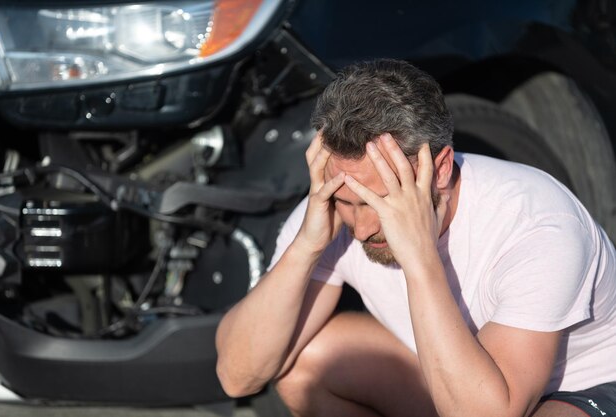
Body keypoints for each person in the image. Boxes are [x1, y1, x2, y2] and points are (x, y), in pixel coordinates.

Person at [215, 59, 616, 417]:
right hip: (462, 383)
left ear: (439, 169)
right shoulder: (336, 208)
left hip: (582, 388)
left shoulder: (538, 225)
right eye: (347, 201)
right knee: (308, 368)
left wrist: (421, 260)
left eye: (383, 199)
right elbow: (237, 376)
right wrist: (306, 248)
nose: (363, 227)